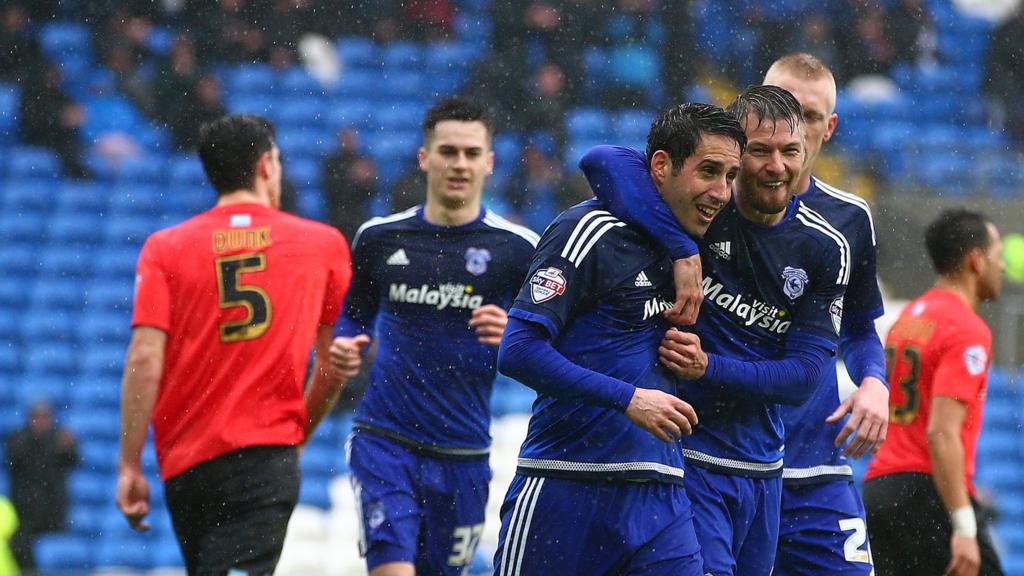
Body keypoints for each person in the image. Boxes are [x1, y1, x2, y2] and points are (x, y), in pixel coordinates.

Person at [579, 85, 851, 575]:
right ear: (735, 153)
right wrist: (682, 249)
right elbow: (601, 159)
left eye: (790, 151)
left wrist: (708, 367)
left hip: (766, 471)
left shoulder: (823, 247)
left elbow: (806, 377)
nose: (777, 166)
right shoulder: (700, 211)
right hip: (691, 458)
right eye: (760, 151)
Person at [493, 102, 742, 575]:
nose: (720, 192)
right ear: (662, 167)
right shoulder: (588, 231)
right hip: (566, 484)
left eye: (730, 176)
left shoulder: (708, 234)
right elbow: (518, 351)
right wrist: (629, 398)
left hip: (662, 497)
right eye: (708, 171)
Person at [117, 114, 352, 575]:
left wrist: (129, 464)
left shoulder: (165, 247)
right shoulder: (322, 244)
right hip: (264, 456)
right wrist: (296, 438)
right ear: (266, 165)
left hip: (187, 464)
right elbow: (334, 363)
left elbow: (145, 357)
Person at [329, 97, 538, 576]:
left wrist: (515, 335)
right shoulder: (379, 238)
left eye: (470, 153)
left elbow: (555, 343)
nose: (459, 164)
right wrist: (345, 342)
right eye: (448, 151)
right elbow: (354, 316)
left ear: (489, 162)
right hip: (386, 439)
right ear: (425, 158)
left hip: (464, 451)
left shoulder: (518, 249)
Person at [762, 54, 887, 576]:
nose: (794, 127)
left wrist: (875, 381)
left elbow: (858, 326)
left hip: (816, 469)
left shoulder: (849, 219)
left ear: (829, 128)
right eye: (781, 108)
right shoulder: (708, 204)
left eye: (809, 116)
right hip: (720, 467)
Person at [864, 209, 1005, 576]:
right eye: (997, 254)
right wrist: (963, 527)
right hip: (925, 491)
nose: (1002, 266)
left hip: (882, 488)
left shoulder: (910, 317)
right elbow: (941, 432)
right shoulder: (966, 328)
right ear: (976, 260)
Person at [5, 400, 78, 572]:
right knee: (21, 545)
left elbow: (73, 461)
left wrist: (69, 447)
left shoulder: (59, 439)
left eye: (45, 417)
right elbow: (12, 459)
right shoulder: (20, 439)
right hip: (25, 510)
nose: (41, 422)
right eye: (37, 417)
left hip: (52, 510)